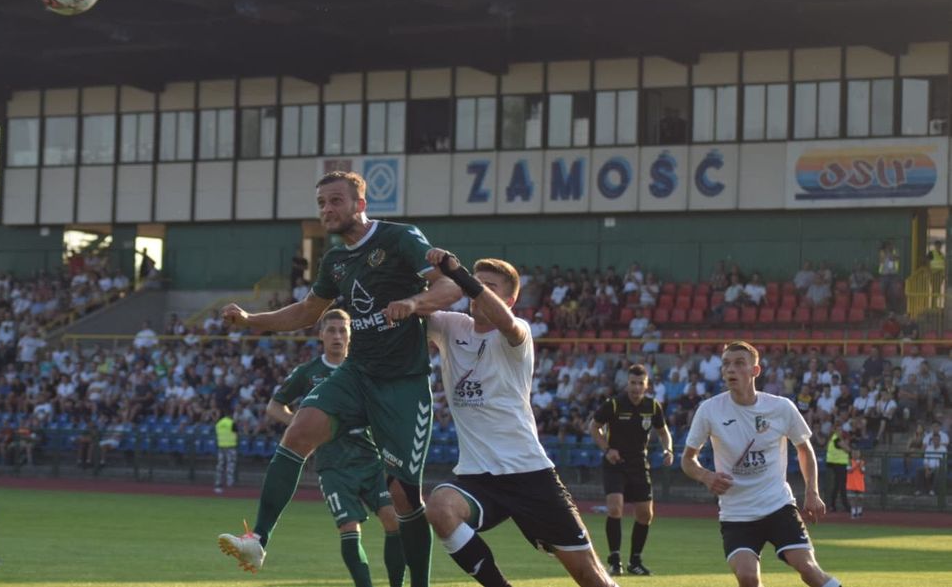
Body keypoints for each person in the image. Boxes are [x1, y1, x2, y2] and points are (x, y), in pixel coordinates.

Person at [217, 171, 461, 586]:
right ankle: (258, 539)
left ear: (360, 205)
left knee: (404, 498)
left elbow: (452, 286)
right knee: (299, 430)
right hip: (357, 373)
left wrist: (414, 301)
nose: (327, 210)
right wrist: (250, 319)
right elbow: (307, 312)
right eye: (321, 204)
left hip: (403, 384)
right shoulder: (334, 260)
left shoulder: (400, 238)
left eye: (335, 201)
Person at [424, 250, 617, 587]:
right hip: (478, 475)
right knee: (440, 508)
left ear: (511, 298)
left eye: (489, 286)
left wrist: (462, 277)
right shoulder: (451, 326)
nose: (476, 291)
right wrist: (431, 274)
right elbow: (414, 306)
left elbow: (505, 322)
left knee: (591, 578)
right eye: (476, 282)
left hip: (529, 472)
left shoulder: (517, 332)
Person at [682, 341, 842, 587]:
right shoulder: (709, 410)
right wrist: (706, 476)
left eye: (739, 363)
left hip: (778, 505)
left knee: (809, 570)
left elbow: (804, 448)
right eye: (726, 364)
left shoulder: (780, 407)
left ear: (755, 370)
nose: (730, 370)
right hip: (737, 513)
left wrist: (812, 491)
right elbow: (687, 459)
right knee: (747, 578)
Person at [266, 308, 405, 587]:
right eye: (331, 330)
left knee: (394, 521)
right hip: (333, 465)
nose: (337, 336)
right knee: (349, 528)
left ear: (351, 334)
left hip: (370, 459)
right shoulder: (308, 372)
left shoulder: (365, 369)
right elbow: (274, 406)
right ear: (321, 335)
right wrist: (305, 428)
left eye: (343, 330)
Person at [591, 364, 672, 576]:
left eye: (640, 384)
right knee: (615, 507)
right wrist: (607, 449)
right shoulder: (615, 404)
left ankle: (635, 562)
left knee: (645, 515)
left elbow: (664, 433)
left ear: (647, 385)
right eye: (632, 383)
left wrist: (668, 450)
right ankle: (615, 560)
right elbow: (594, 427)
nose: (636, 387)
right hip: (615, 464)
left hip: (639, 464)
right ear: (627, 383)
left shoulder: (653, 406)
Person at [824, 429, 850, 515]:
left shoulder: (832, 439)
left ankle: (833, 505)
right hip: (839, 464)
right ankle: (845, 506)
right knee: (840, 486)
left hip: (835, 464)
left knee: (837, 485)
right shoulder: (837, 439)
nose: (841, 432)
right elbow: (847, 449)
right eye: (839, 430)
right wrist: (847, 442)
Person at [214, 409, 237, 494]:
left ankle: (218, 482)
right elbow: (236, 433)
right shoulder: (232, 423)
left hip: (221, 447)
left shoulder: (218, 423)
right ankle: (229, 483)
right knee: (230, 465)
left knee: (220, 465)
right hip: (230, 447)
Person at [845, 449, 865, 519]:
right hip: (851, 483)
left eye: (857, 453)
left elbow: (862, 471)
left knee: (860, 498)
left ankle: (859, 512)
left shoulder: (862, 462)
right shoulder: (850, 462)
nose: (855, 455)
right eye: (854, 453)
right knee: (852, 498)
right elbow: (849, 471)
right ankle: (853, 513)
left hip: (860, 484)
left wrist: (859, 466)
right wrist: (856, 465)